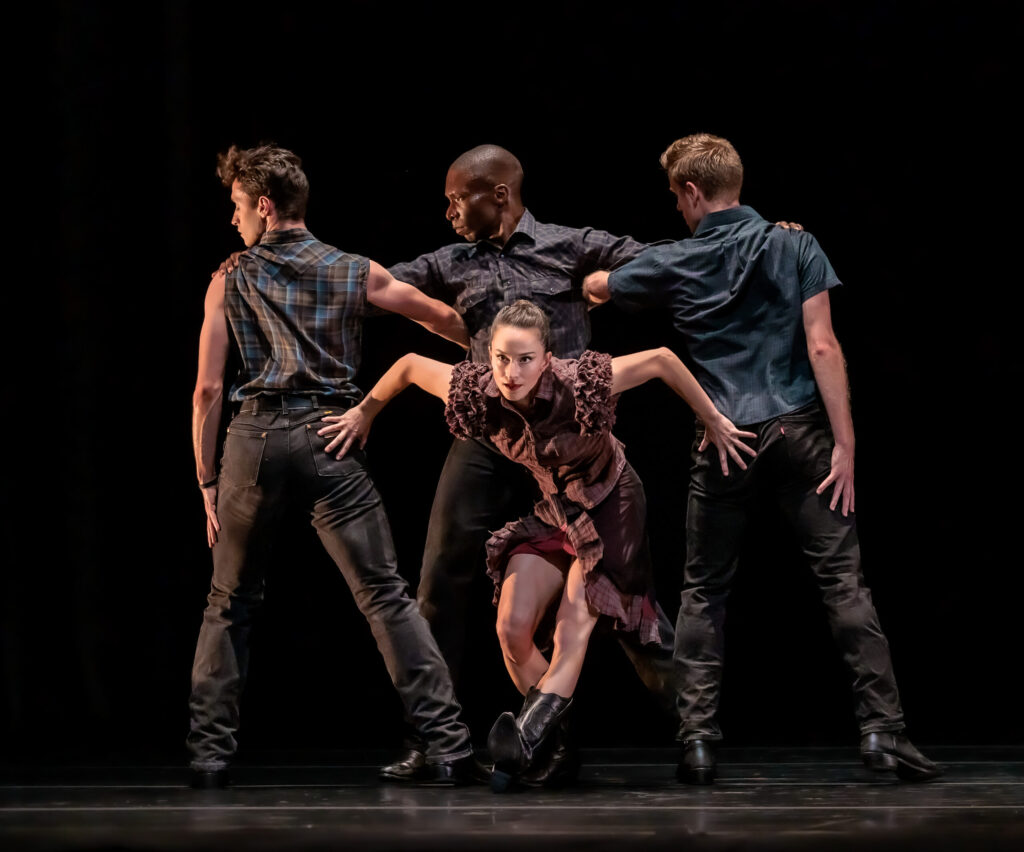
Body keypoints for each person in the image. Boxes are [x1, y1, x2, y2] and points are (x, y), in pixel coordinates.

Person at [584, 133, 942, 784]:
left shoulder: (678, 259)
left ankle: (696, 743)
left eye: (676, 199)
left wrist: (634, 267)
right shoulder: (794, 242)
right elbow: (823, 345)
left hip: (725, 437)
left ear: (692, 193)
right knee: (843, 587)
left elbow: (597, 287)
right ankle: (883, 734)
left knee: (704, 593)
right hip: (801, 430)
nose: (677, 210)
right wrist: (846, 444)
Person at [317, 299, 757, 790]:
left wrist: (715, 420)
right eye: (502, 358)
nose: (511, 371)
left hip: (611, 503)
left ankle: (526, 738)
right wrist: (364, 413)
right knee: (511, 626)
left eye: (525, 359)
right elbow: (409, 367)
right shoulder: (477, 389)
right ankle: (555, 745)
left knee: (574, 627)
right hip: (558, 510)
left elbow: (661, 359)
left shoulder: (578, 381)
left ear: (547, 359)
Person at [375, 144, 683, 783]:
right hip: (490, 438)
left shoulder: (569, 246)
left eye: (460, 198)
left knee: (616, 593)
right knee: (438, 578)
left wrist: (748, 234)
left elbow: (660, 260)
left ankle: (693, 725)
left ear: (501, 195)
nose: (451, 211)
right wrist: (288, 253)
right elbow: (379, 281)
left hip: (571, 448)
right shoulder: (451, 260)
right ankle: (442, 740)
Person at [187, 143, 487, 789]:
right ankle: (452, 747)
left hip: (256, 441)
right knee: (386, 597)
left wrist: (207, 481)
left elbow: (209, 390)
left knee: (229, 602)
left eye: (238, 207)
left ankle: (209, 758)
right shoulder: (354, 270)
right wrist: (491, 360)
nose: (233, 219)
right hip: (331, 439)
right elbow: (440, 318)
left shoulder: (229, 275)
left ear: (264, 207)